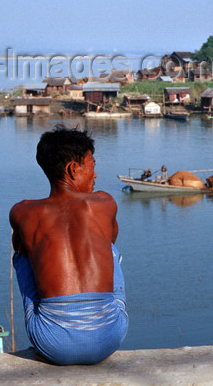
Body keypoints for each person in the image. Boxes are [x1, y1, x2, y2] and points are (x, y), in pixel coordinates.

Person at [9, 126, 128, 365]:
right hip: (110, 337)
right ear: (73, 169)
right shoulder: (105, 203)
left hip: (52, 344)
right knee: (109, 250)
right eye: (92, 166)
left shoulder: (22, 211)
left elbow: (21, 251)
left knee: (23, 255)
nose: (95, 175)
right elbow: (109, 243)